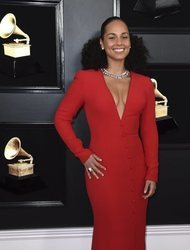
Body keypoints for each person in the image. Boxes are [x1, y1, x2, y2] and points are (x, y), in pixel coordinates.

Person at [54, 16, 159, 250]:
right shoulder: (86, 80)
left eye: (124, 36)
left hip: (137, 170)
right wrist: (82, 154)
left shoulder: (144, 84)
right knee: (109, 229)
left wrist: (152, 171)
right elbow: (61, 118)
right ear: (102, 43)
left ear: (131, 43)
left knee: (134, 230)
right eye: (112, 37)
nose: (118, 42)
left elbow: (150, 131)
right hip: (103, 170)